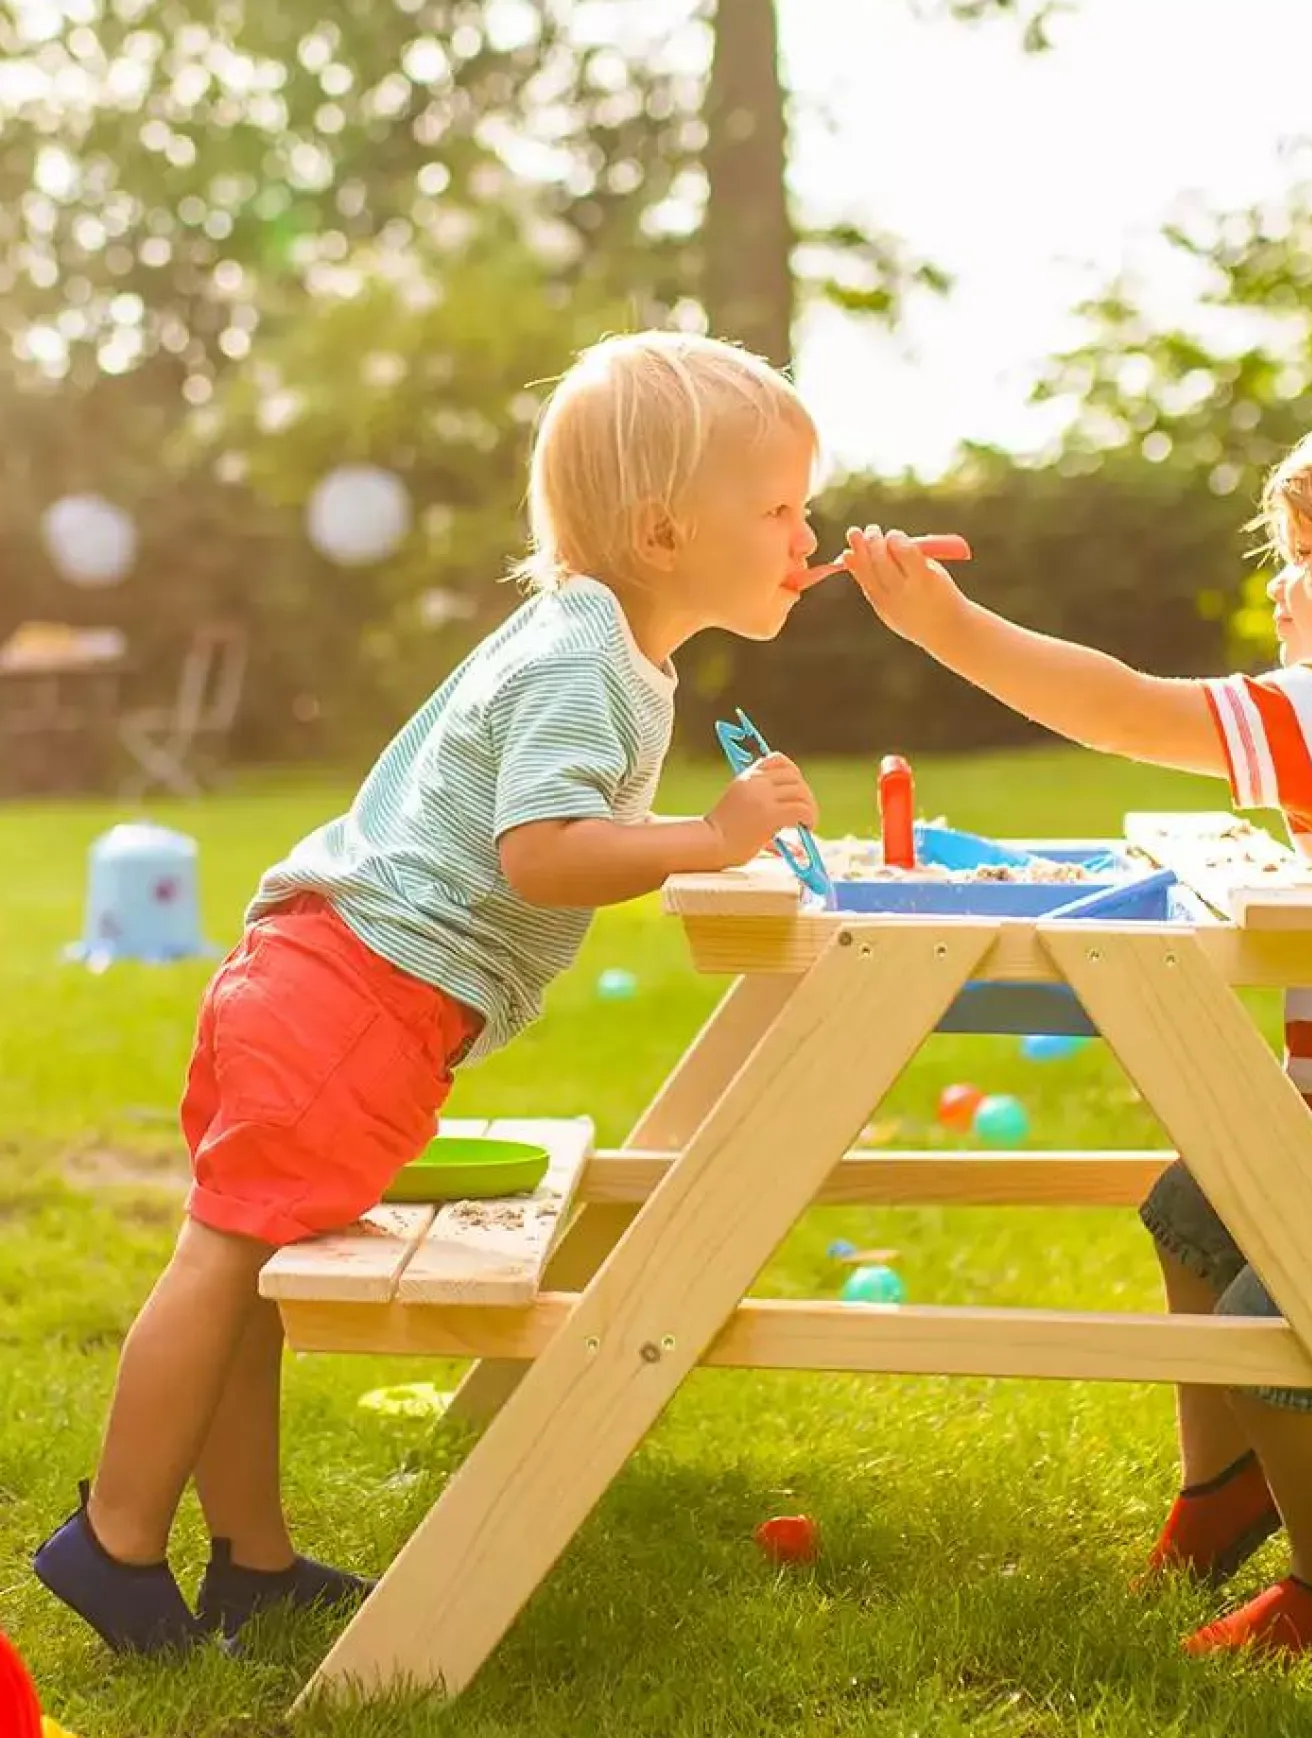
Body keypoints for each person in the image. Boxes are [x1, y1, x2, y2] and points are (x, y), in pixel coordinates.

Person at [36, 332, 824, 1654]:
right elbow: (543, 850)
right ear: (664, 528)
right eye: (782, 508)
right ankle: (114, 1542)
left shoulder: (595, 638)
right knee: (225, 1257)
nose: (808, 534)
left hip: (314, 975)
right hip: (355, 997)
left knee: (242, 1267)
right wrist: (707, 839)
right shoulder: (587, 661)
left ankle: (252, 1564)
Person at [843, 392, 1312, 1662]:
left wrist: (947, 627)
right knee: (1189, 1204)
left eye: (1306, 565)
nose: (1282, 594)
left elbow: (1122, 709)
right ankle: (1224, 1494)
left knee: (1282, 1320)